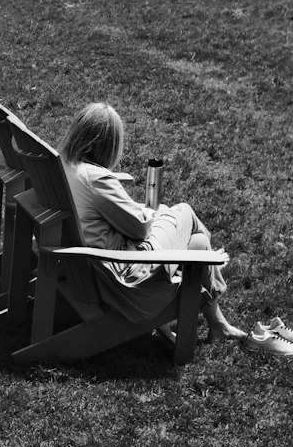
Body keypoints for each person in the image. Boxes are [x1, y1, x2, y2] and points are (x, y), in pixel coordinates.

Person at [58, 102, 246, 345]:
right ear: (107, 145)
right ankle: (208, 264)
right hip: (127, 277)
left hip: (88, 269)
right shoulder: (96, 178)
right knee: (185, 213)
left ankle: (218, 323)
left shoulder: (63, 166)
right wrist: (154, 214)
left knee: (197, 242)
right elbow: (140, 228)